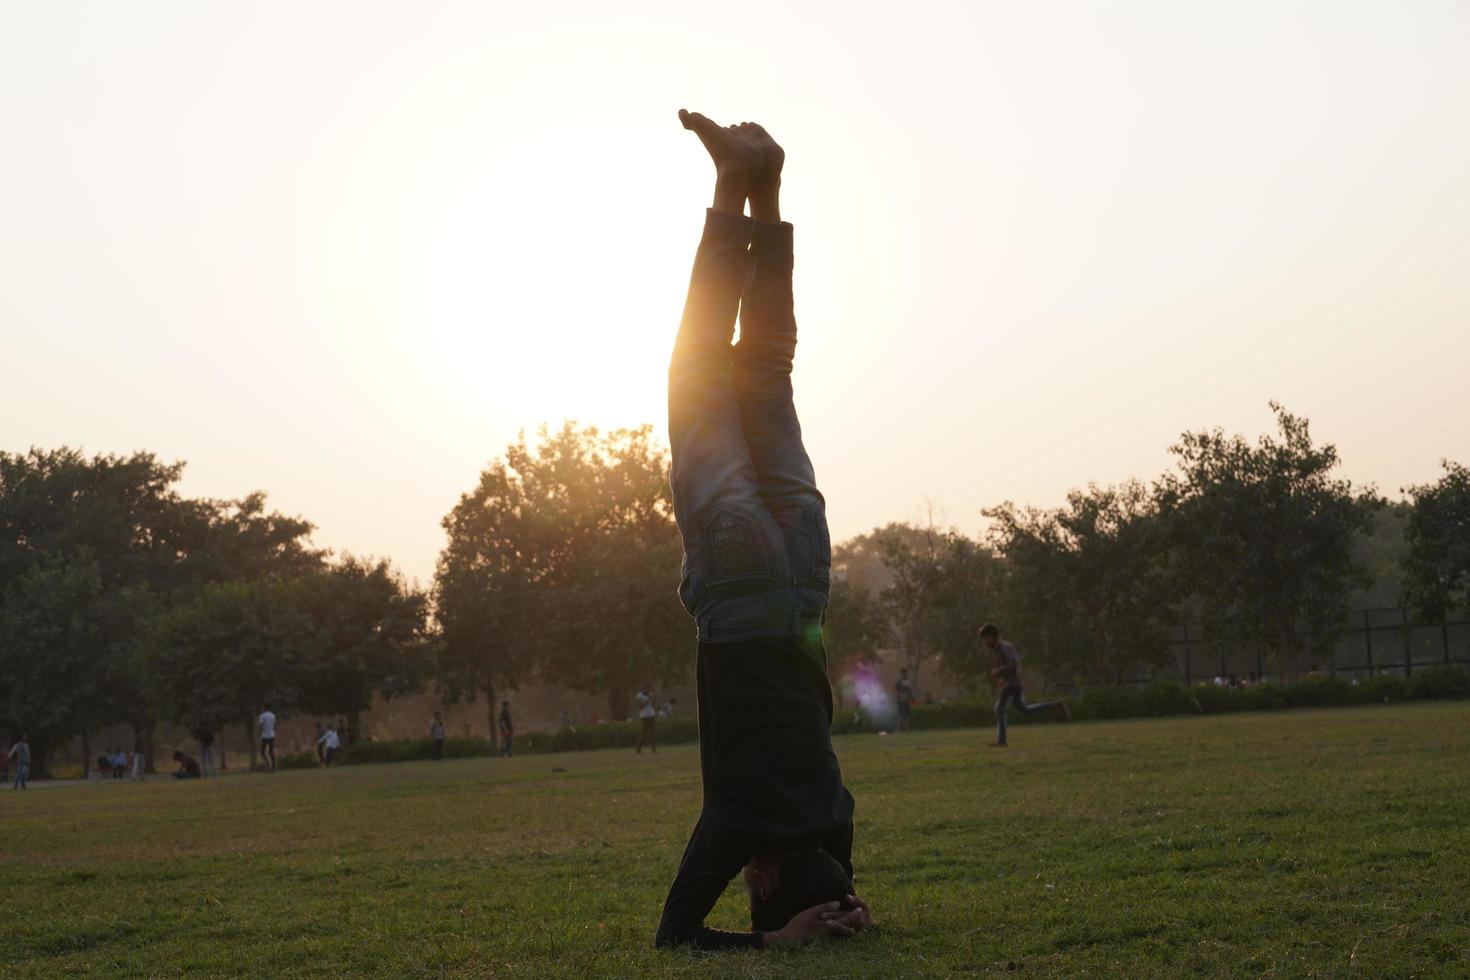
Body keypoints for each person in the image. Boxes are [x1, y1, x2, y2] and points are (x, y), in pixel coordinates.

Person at [654, 111, 874, 952]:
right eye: (757, 891)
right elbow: (677, 937)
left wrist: (846, 910)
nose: (745, 879)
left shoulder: (833, 820)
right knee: (700, 369)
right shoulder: (740, 825)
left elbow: (842, 888)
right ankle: (727, 183)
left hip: (806, 580)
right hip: (742, 591)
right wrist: (772, 942)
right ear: (768, 879)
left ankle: (765, 180)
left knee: (768, 367)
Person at [980, 623, 1068, 747]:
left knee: (999, 709)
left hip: (1012, 685)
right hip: (1011, 684)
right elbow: (1009, 669)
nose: (984, 642)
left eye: (985, 638)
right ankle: (1054, 705)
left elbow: (1013, 665)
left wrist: (998, 672)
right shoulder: (996, 650)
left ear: (992, 636)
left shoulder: (1006, 647)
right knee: (1025, 710)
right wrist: (1001, 679)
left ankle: (1002, 741)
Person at [636, 688, 658, 754]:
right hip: (644, 716)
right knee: (643, 733)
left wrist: (654, 699)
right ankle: (638, 749)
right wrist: (648, 699)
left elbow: (653, 705)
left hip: (652, 714)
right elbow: (640, 707)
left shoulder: (650, 694)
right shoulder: (639, 695)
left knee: (653, 733)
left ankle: (653, 749)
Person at [257, 703, 277, 772]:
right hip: (272, 735)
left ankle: (268, 764)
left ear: (264, 708)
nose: (261, 709)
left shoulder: (262, 716)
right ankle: (273, 767)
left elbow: (261, 726)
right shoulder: (273, 715)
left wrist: (259, 734)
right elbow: (274, 725)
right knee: (271, 752)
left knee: (262, 752)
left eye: (262, 707)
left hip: (265, 735)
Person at [894, 668, 914, 733]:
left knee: (907, 715)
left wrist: (911, 698)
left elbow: (910, 691)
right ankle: (898, 730)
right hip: (901, 701)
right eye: (904, 673)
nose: (906, 674)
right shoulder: (899, 682)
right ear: (902, 674)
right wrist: (899, 698)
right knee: (901, 715)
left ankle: (907, 730)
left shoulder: (908, 681)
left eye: (906, 673)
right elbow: (897, 691)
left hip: (907, 701)